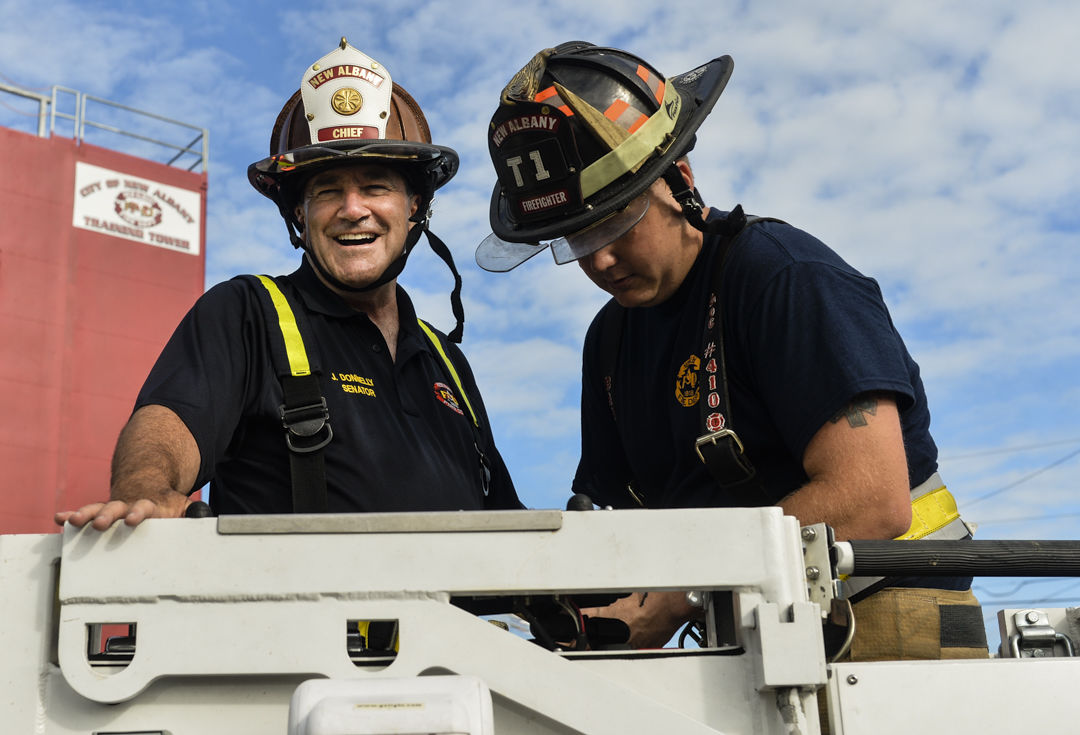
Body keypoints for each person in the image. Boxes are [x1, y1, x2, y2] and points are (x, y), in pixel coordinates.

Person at [475, 42, 985, 660]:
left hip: (885, 618)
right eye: (574, 241)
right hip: (745, 637)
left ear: (680, 181)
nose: (600, 261)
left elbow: (872, 499)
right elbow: (615, 520)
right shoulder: (610, 342)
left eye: (614, 223)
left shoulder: (784, 279)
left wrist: (687, 590)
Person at [56, 37, 521, 530]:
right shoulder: (247, 312)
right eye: (327, 191)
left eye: (375, 185)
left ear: (414, 208)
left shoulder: (447, 362)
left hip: (455, 611)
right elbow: (171, 421)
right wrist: (146, 489)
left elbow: (509, 523)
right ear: (298, 214)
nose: (352, 208)